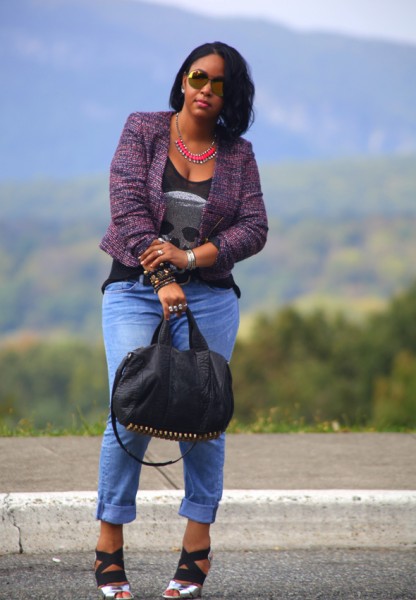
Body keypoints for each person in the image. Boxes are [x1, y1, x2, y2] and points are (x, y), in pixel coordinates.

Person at [95, 41, 268, 599]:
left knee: (203, 414)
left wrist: (193, 260)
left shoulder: (238, 155)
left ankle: (196, 546)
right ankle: (108, 544)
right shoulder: (143, 129)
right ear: (184, 78)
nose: (206, 91)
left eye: (219, 84)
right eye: (199, 77)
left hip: (211, 298)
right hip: (135, 291)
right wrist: (162, 278)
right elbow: (126, 209)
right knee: (131, 409)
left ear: (230, 96)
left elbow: (254, 226)